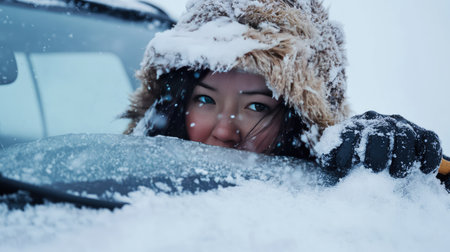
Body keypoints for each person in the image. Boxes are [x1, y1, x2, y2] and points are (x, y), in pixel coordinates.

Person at [122, 0, 446, 185]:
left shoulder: (324, 209)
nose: (223, 130)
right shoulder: (115, 184)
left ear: (301, 124)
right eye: (205, 99)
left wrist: (418, 175)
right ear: (176, 104)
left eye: (257, 107)